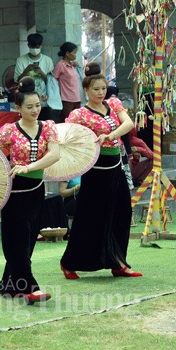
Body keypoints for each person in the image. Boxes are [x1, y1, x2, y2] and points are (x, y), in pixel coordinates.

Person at [60, 63, 142, 280]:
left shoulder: (113, 104)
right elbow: (67, 137)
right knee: (90, 217)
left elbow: (128, 124)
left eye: (103, 88)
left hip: (116, 166)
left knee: (123, 212)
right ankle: (69, 262)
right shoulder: (79, 114)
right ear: (86, 90)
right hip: (95, 171)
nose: (100, 93)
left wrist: (111, 135)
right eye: (96, 89)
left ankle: (118, 262)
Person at [0, 77, 60, 304]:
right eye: (29, 107)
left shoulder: (48, 127)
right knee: (18, 239)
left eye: (38, 105)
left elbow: (54, 154)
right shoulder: (8, 131)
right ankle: (31, 287)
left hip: (37, 190)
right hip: (14, 192)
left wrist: (30, 167)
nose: (35, 110)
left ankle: (9, 285)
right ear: (18, 108)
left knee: (30, 238)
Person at [14, 33, 54, 120]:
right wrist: (26, 71)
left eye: (37, 47)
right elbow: (17, 80)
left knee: (44, 125)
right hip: (27, 102)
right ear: (28, 45)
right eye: (33, 47)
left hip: (44, 102)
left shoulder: (47, 60)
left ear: (41, 46)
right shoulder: (21, 60)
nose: (35, 49)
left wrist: (41, 73)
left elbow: (51, 82)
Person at [52, 42, 82, 122]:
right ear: (67, 53)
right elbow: (53, 81)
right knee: (68, 122)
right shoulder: (60, 65)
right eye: (74, 53)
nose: (75, 55)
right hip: (66, 100)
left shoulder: (73, 65)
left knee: (78, 121)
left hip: (77, 99)